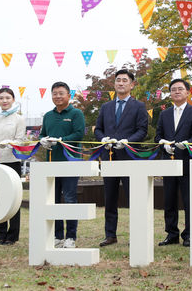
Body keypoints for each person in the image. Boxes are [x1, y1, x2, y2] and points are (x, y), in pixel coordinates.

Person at [94, 69, 148, 247]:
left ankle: (137, 234)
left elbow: (142, 130)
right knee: (109, 197)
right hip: (109, 156)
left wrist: (128, 141)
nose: (121, 83)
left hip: (130, 157)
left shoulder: (139, 106)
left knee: (134, 197)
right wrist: (102, 139)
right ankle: (110, 235)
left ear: (132, 84)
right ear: (114, 84)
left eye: (125, 80)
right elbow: (99, 128)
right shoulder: (106, 107)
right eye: (118, 80)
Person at [154, 78, 192, 247]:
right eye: (173, 89)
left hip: (188, 162)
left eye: (180, 89)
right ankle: (172, 234)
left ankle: (189, 234)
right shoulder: (164, 114)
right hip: (168, 162)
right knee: (169, 200)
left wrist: (188, 143)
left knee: (189, 200)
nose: (176, 92)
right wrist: (163, 144)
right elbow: (158, 136)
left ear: (187, 92)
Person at [39, 82, 85, 249]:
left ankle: (71, 236)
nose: (57, 96)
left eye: (61, 93)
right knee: (53, 200)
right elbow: (43, 134)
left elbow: (79, 134)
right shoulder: (48, 116)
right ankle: (57, 236)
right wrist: (43, 140)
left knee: (70, 198)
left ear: (68, 95)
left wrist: (61, 141)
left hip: (71, 162)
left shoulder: (76, 113)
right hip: (52, 162)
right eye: (54, 93)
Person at [0, 87, 26, 245]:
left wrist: (8, 144)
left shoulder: (19, 119)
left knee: (13, 198)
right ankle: (0, 236)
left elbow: (20, 140)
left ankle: (12, 236)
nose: (5, 100)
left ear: (13, 99)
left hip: (12, 160)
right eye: (1, 98)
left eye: (8, 97)